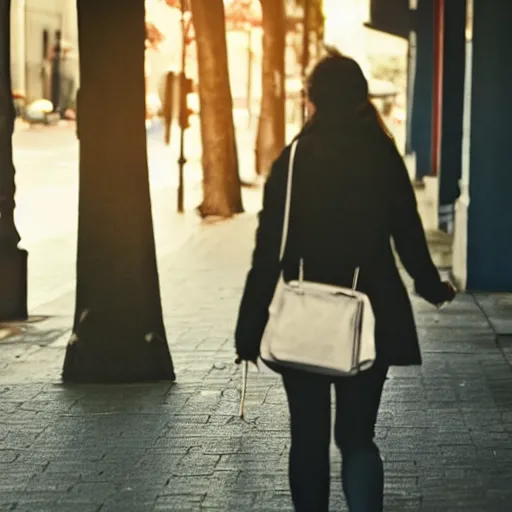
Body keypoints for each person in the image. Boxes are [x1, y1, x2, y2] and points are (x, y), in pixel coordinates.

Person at [234, 50, 456, 512]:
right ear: (360, 96)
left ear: (311, 98)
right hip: (371, 314)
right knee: (358, 438)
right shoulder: (381, 152)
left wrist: (250, 324)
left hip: (303, 316)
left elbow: (268, 250)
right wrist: (431, 287)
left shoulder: (294, 159)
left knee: (307, 439)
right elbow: (408, 233)